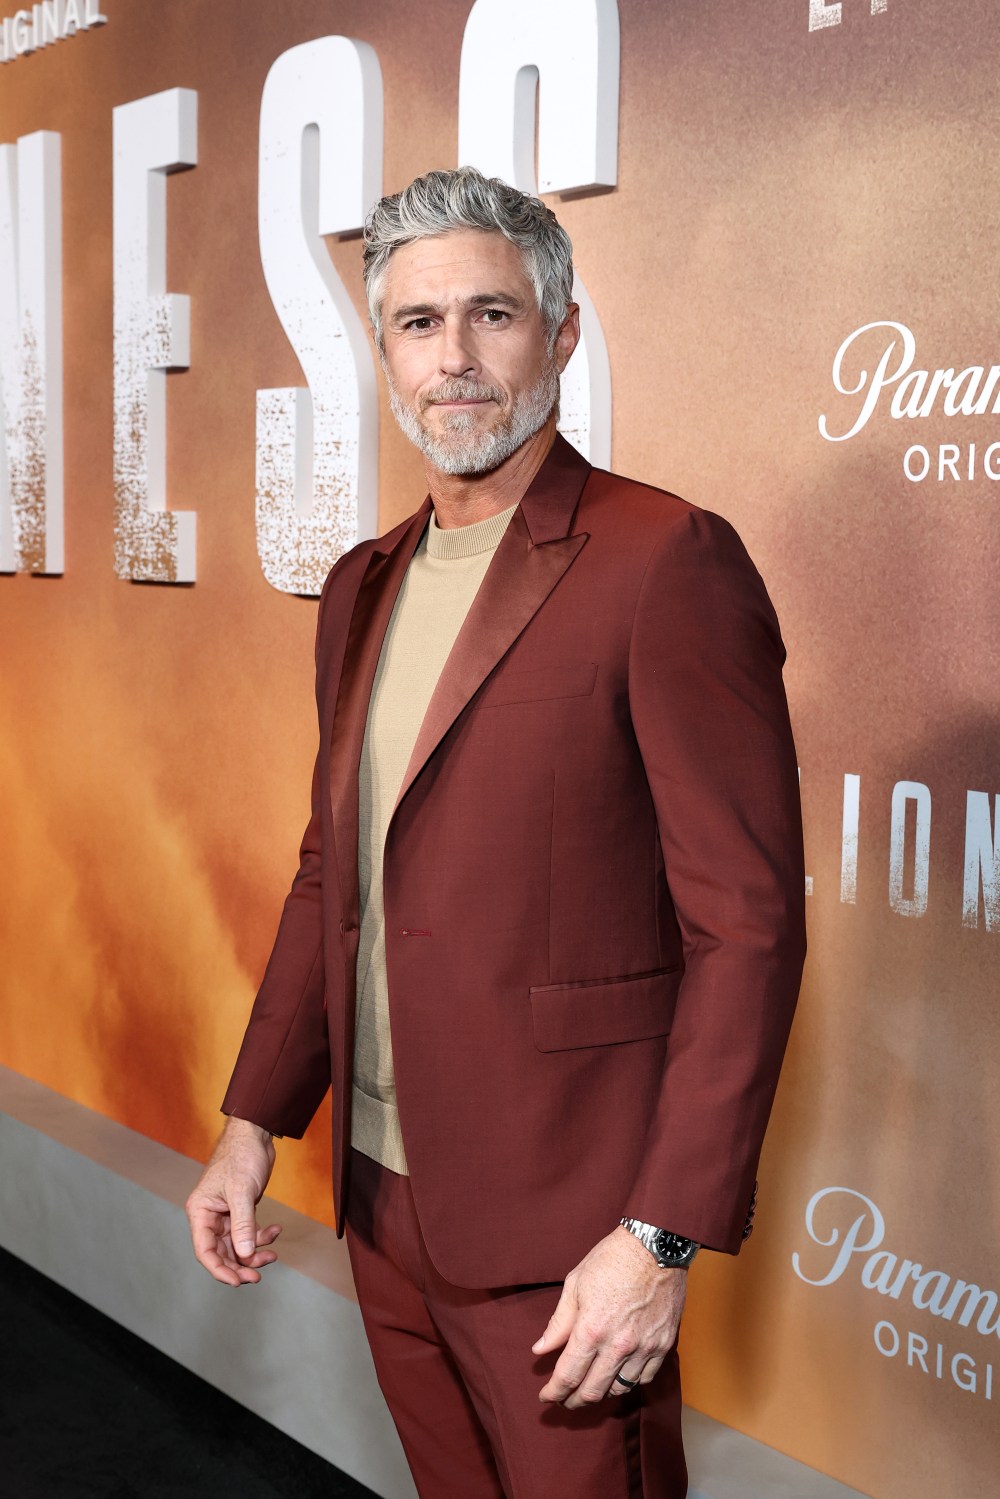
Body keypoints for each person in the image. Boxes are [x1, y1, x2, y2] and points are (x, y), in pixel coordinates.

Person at [186, 166, 807, 1499]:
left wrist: (659, 1238)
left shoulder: (665, 561)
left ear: (563, 333)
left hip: (571, 1226)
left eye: (493, 316)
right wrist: (254, 1120)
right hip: (384, 1198)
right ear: (382, 349)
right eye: (418, 325)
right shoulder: (359, 585)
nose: (454, 361)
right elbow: (330, 876)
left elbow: (745, 928)